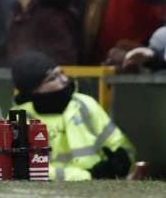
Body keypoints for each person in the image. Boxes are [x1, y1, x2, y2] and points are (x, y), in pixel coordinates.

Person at [10, 52, 135, 181]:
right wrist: (89, 176)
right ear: (33, 90)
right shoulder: (20, 117)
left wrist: (120, 163)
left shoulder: (85, 104)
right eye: (52, 78)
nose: (64, 80)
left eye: (61, 73)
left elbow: (120, 147)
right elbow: (25, 169)